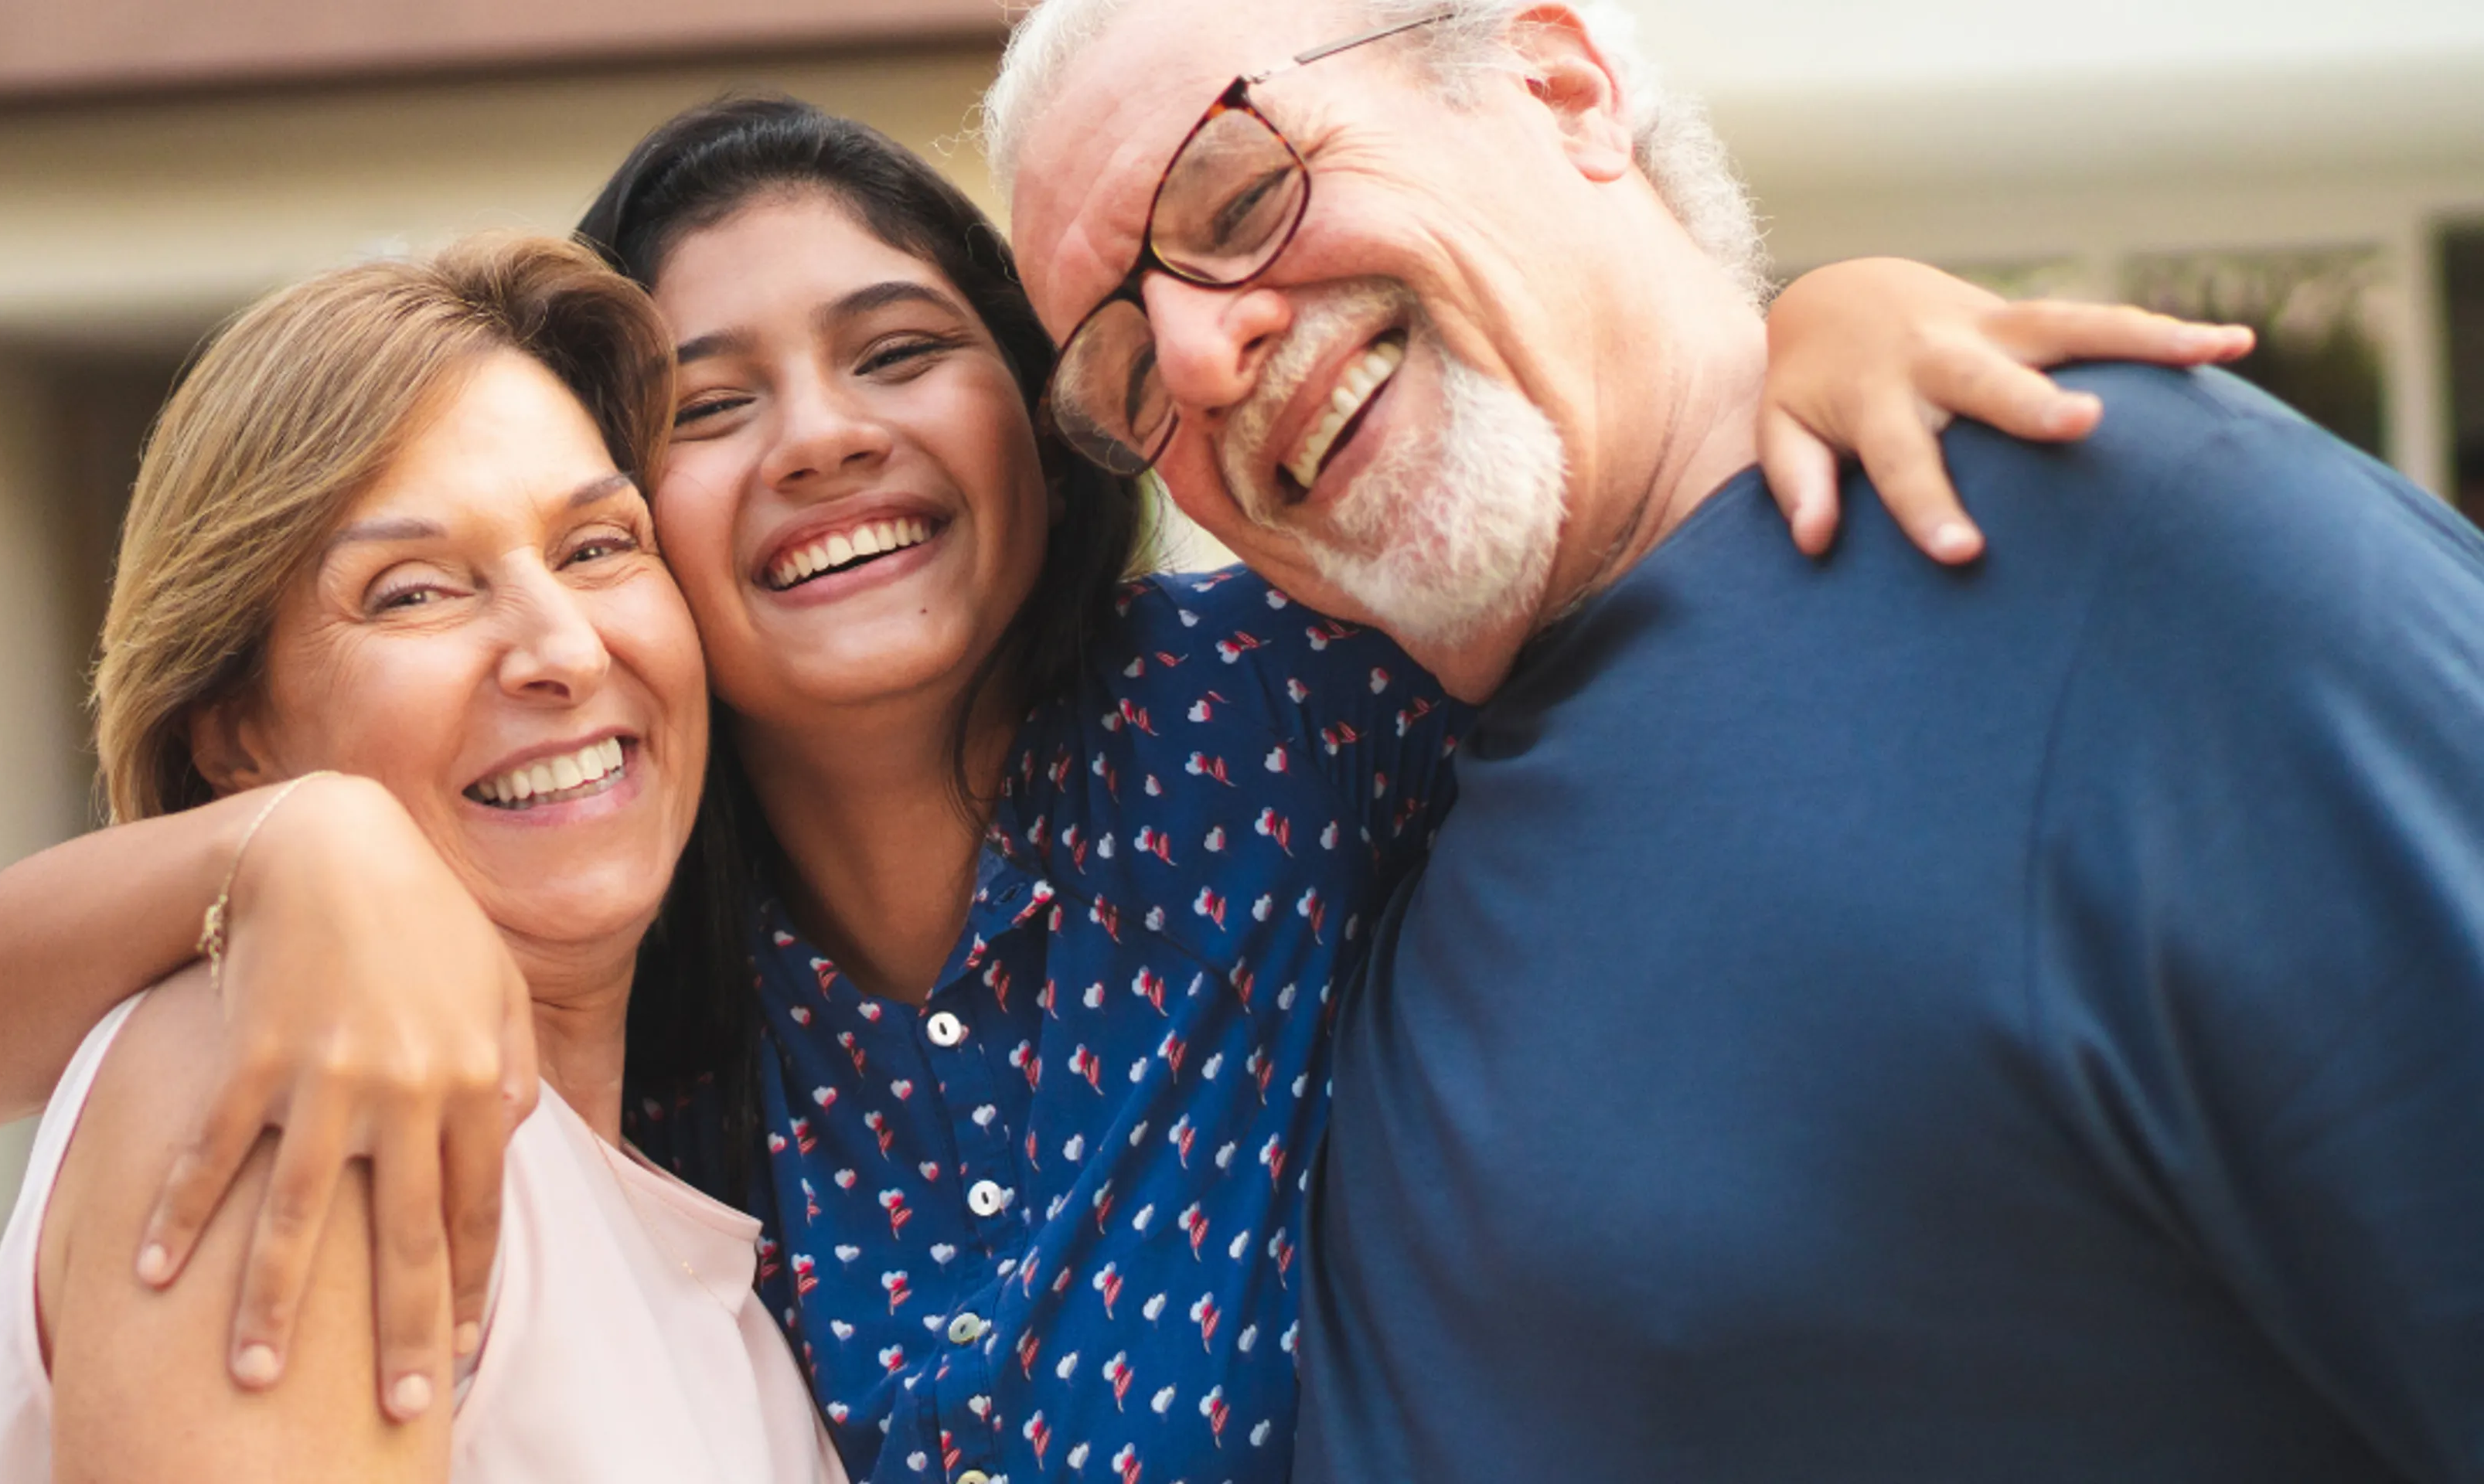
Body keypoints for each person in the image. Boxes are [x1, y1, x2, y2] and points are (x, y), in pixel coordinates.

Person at [0, 100, 2247, 1484]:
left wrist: (1795, 332)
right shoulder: (574, 1019)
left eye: (903, 350)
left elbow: (1628, 561)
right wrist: (285, 847)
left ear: (1055, 418)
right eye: (702, 413)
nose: (820, 438)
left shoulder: (1291, 699)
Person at [985, 2, 2484, 1480]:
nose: (1194, 358)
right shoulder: (1332, 801)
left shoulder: (2140, 554)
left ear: (1565, 86)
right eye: (1123, 375)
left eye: (1241, 194)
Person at [0, 232, 843, 1483]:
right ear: (237, 735)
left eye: (597, 549)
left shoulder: (662, 1209)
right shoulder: (286, 1062)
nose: (565, 650)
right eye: (414, 592)